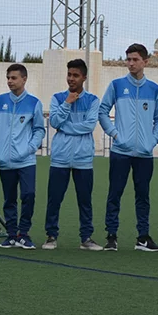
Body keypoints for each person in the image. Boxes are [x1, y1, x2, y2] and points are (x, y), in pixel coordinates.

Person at [98, 43, 158, 252]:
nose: (130, 63)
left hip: (144, 154)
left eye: (135, 59)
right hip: (120, 152)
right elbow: (102, 112)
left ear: (145, 62)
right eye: (128, 59)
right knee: (114, 194)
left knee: (142, 195)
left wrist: (152, 141)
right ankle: (111, 237)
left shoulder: (154, 89)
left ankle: (143, 238)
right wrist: (116, 135)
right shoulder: (117, 85)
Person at [43, 59, 102, 251]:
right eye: (69, 74)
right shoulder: (58, 98)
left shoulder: (93, 100)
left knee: (85, 200)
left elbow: (89, 125)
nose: (71, 79)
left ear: (84, 77)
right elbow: (55, 122)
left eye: (75, 75)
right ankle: (51, 236)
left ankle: (86, 238)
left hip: (83, 159)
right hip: (60, 158)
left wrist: (65, 127)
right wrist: (67, 103)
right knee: (54, 199)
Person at [0, 64, 46, 249]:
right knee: (9, 199)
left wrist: (29, 148)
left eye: (14, 78)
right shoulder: (0, 101)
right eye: (8, 78)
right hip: (4, 161)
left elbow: (39, 129)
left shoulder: (34, 103)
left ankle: (24, 233)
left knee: (29, 195)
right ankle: (11, 234)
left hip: (26, 161)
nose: (10, 81)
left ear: (24, 79)